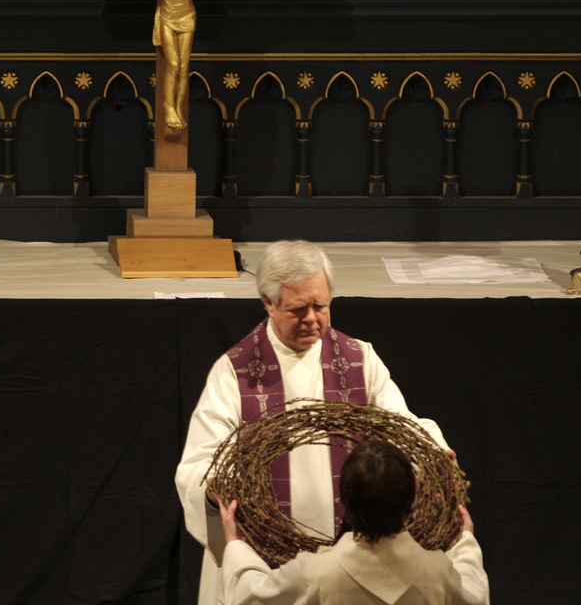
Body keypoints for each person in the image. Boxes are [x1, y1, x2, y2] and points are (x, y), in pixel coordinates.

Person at [175, 240, 452, 605]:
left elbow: (400, 427)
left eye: (321, 305)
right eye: (298, 308)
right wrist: (214, 486)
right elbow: (197, 465)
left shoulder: (359, 360)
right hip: (263, 558)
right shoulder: (235, 373)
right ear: (268, 304)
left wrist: (432, 451)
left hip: (346, 563)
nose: (312, 318)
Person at [218, 439, 489, 605]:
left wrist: (235, 546)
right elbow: (475, 595)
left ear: (344, 500)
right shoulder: (437, 572)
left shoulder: (312, 574)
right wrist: (465, 542)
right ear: (412, 500)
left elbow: (248, 596)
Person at [73, 0, 279, 131]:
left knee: (183, 66)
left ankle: (178, 108)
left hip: (187, 16)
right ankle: (168, 106)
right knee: (172, 63)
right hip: (167, 18)